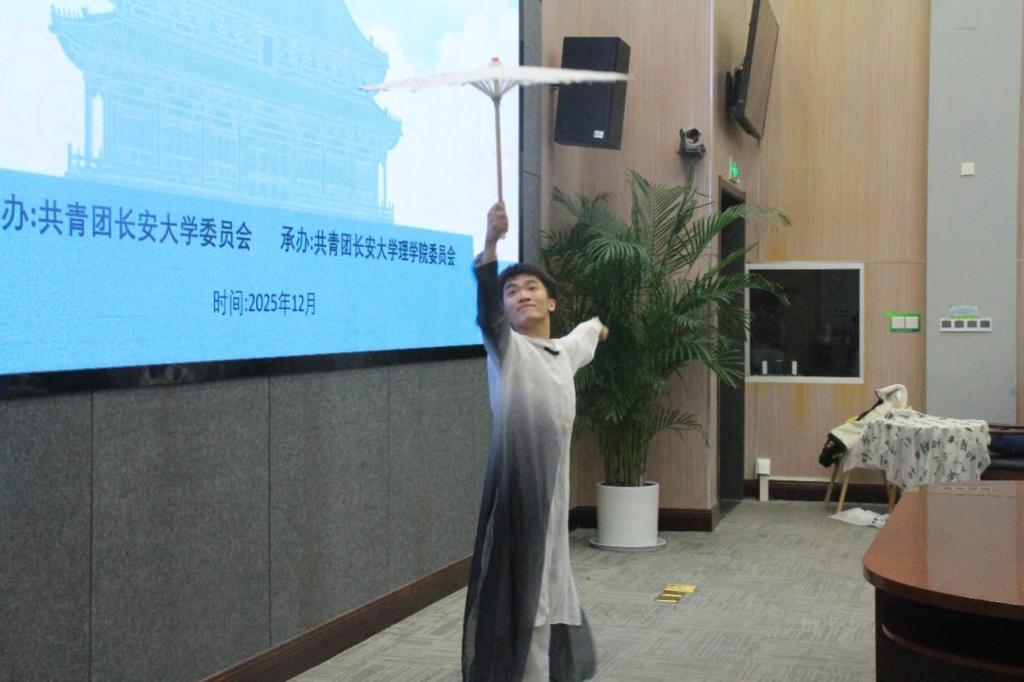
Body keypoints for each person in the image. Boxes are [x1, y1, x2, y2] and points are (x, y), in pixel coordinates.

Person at [462, 202, 607, 681]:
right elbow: (487, 317)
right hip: (520, 505)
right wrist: (490, 245)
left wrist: (600, 327)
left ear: (551, 303)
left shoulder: (563, 352)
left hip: (555, 511)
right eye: (511, 292)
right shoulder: (508, 352)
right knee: (530, 604)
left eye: (531, 288)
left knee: (552, 595)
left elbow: (587, 334)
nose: (521, 295)